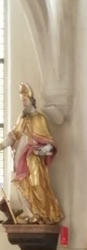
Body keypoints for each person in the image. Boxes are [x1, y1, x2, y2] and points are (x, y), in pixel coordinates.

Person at [0, 83, 63, 224]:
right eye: (22, 100)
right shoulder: (22, 118)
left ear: (31, 100)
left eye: (25, 100)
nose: (23, 103)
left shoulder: (40, 118)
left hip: (34, 156)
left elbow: (48, 139)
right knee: (25, 184)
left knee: (37, 184)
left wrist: (47, 147)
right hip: (21, 157)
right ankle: (33, 213)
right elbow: (13, 136)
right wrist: (1, 146)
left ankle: (44, 214)